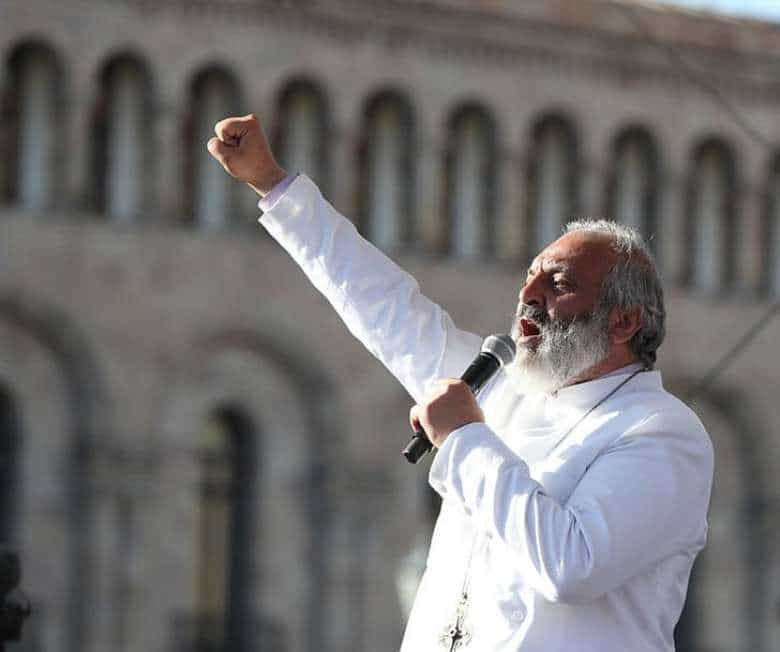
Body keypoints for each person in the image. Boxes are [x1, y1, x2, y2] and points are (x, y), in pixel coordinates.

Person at [207, 113, 713, 651]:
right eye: (530, 277)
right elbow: (385, 308)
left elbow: (573, 565)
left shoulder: (661, 433)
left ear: (624, 321)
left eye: (559, 284)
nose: (530, 295)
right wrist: (273, 184)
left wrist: (466, 437)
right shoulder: (502, 390)